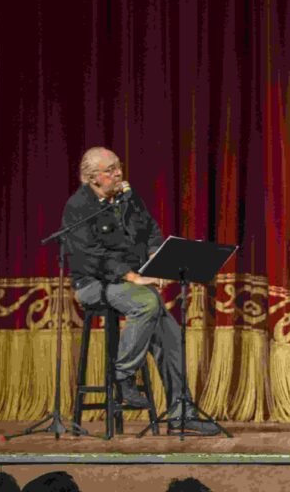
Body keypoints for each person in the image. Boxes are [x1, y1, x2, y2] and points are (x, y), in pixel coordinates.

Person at [64, 146, 217, 435]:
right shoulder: (78, 206)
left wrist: (158, 259)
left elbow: (150, 232)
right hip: (93, 284)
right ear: (92, 177)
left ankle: (181, 414)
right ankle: (123, 377)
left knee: (171, 335)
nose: (119, 174)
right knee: (147, 301)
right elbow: (91, 256)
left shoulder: (128, 199)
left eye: (119, 167)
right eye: (110, 170)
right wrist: (132, 276)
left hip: (128, 282)